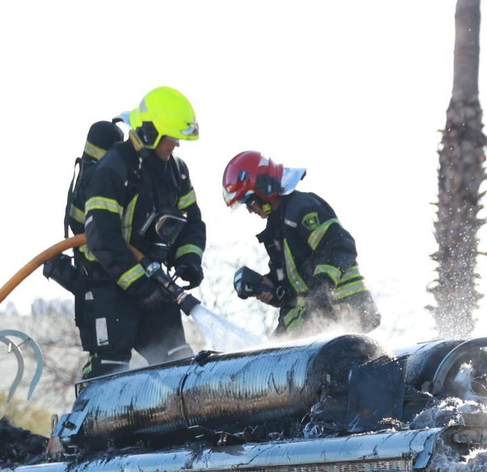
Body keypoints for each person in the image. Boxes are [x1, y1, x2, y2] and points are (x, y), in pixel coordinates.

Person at [73, 86, 206, 380]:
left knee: (178, 362)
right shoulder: (112, 170)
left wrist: (189, 260)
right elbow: (101, 238)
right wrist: (139, 284)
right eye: (171, 137)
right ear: (149, 133)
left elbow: (193, 223)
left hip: (153, 283)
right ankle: (90, 424)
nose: (176, 145)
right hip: (109, 283)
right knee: (109, 370)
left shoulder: (177, 172)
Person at [221, 151, 380, 337]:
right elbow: (292, 287)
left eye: (249, 202)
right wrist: (268, 287)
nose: (249, 210)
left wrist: (323, 285)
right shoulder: (276, 228)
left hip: (343, 307)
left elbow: (339, 244)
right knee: (267, 359)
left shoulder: (301, 208)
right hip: (308, 324)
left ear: (263, 189)